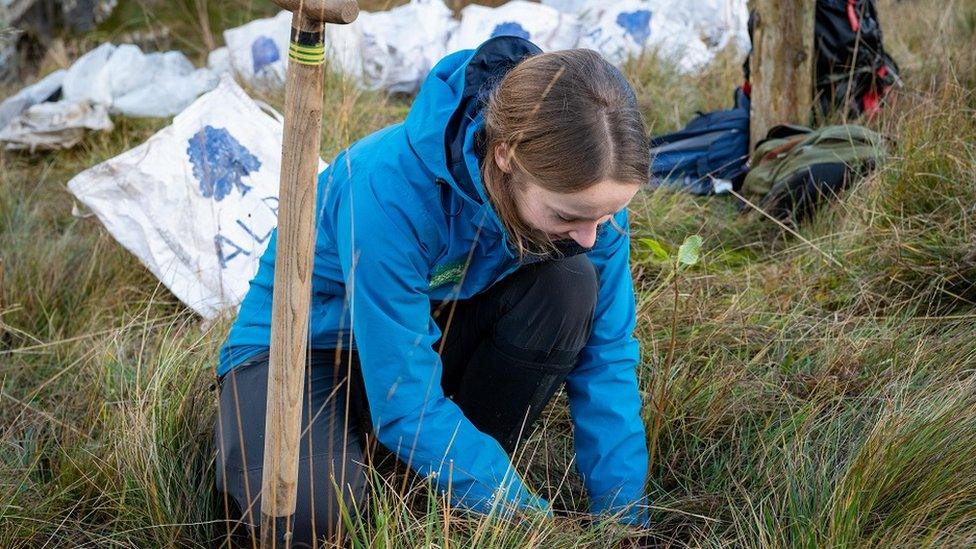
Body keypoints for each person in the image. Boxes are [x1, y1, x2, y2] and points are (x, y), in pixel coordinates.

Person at [214, 35, 650, 547]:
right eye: (567, 216)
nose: (592, 236)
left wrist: (624, 520)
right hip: (305, 347)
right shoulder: (384, 187)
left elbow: (608, 360)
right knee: (312, 522)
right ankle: (414, 473)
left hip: (425, 330)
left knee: (570, 284)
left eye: (605, 215)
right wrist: (534, 522)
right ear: (506, 156)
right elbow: (405, 402)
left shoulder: (587, 193)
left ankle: (442, 487)